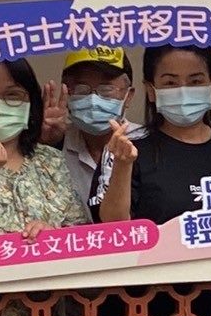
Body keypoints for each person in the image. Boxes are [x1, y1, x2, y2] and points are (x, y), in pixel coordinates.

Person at [96, 45, 211, 225]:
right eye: (170, 83)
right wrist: (122, 165)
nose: (183, 90)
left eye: (195, 81)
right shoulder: (128, 149)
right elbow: (113, 227)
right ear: (151, 90)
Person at [0, 58, 88, 238]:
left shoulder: (50, 160)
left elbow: (81, 234)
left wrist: (53, 235)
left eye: (13, 95)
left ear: (31, 105)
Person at [46, 46, 141, 210]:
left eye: (106, 89)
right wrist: (46, 143)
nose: (92, 99)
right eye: (81, 89)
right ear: (67, 93)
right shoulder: (55, 145)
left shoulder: (148, 143)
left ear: (128, 96)